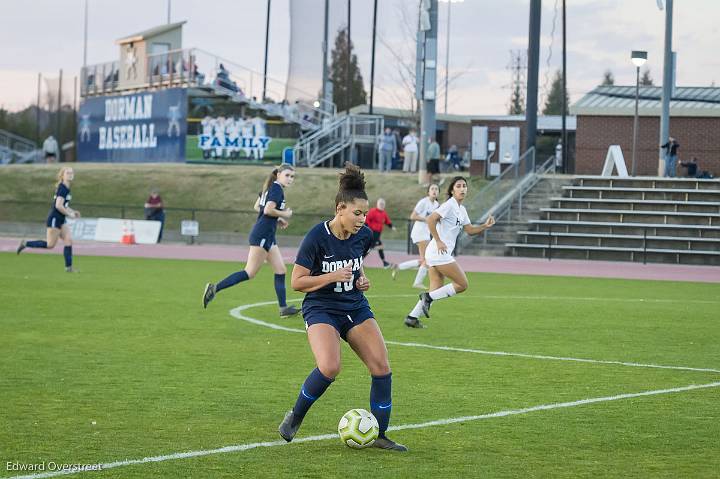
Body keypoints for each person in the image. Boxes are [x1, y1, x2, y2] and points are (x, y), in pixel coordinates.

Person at [277, 163, 407, 452]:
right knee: (330, 366)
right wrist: (332, 277)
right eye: (357, 213)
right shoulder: (316, 237)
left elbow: (355, 266)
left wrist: (361, 280)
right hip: (321, 307)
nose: (362, 219)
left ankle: (380, 434)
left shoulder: (364, 237)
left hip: (355, 306)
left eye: (365, 214)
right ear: (339, 209)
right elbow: (297, 282)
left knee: (381, 367)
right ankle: (295, 417)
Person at [202, 164, 300, 318]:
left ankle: (283, 309)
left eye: (292, 176)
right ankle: (214, 288)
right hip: (262, 235)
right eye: (287, 175)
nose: (290, 179)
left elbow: (258, 206)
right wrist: (284, 214)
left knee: (281, 270)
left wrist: (278, 218)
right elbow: (267, 210)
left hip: (268, 235)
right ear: (279, 174)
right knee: (249, 272)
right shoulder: (276, 189)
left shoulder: (270, 188)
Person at [403, 177, 495, 328]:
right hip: (438, 252)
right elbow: (431, 219)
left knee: (436, 289)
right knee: (462, 284)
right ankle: (427, 298)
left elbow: (470, 230)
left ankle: (412, 317)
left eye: (464, 186)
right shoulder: (449, 205)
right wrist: (438, 240)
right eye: (458, 186)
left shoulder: (462, 210)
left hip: (437, 253)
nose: (462, 188)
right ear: (452, 190)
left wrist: (485, 225)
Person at [17, 167, 80, 272]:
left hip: (61, 219)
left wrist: (73, 211)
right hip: (55, 218)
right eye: (67, 173)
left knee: (68, 240)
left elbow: (64, 205)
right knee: (50, 245)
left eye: (71, 172)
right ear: (62, 175)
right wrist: (70, 214)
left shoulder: (66, 187)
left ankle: (69, 268)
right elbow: (58, 206)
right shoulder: (63, 188)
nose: (70, 174)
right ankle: (25, 243)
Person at [391, 184, 440, 289]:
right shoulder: (423, 202)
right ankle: (417, 283)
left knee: (424, 260)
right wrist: (426, 219)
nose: (434, 191)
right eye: (432, 189)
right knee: (427, 260)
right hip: (419, 232)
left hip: (426, 233)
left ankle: (399, 267)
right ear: (428, 192)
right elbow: (412, 216)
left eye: (436, 189)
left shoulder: (436, 205)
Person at [366, 198, 395, 268]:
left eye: (383, 204)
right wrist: (368, 230)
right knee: (376, 246)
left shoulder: (383, 213)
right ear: (377, 204)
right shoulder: (373, 211)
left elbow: (387, 221)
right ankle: (384, 263)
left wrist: (391, 226)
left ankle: (385, 263)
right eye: (380, 204)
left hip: (378, 234)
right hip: (372, 233)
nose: (382, 205)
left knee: (371, 247)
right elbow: (366, 220)